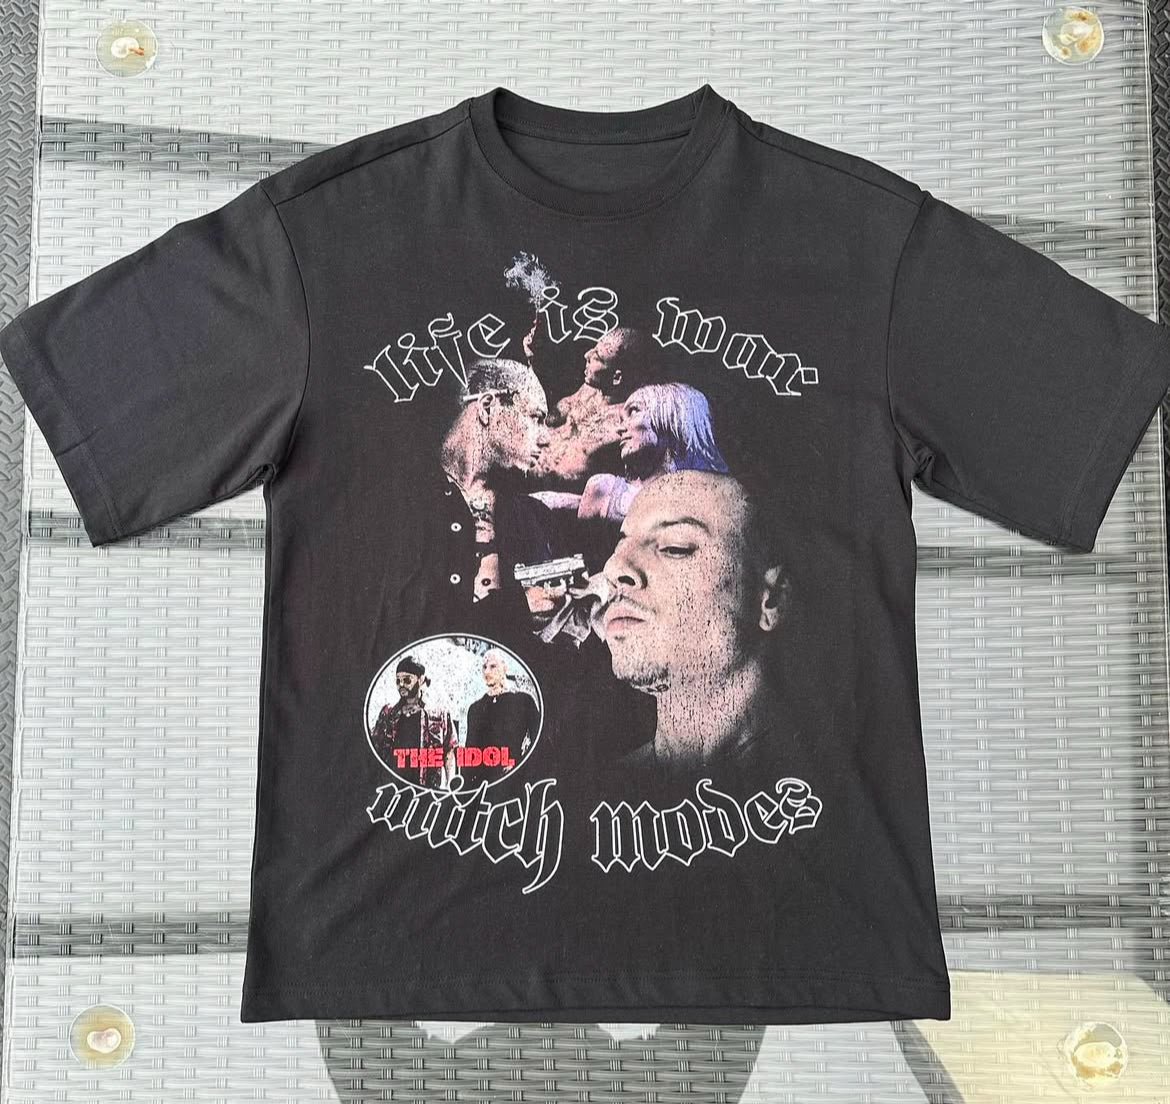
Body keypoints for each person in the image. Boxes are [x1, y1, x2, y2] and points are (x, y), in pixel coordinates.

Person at [590, 469, 794, 783]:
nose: (614, 567)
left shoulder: (837, 783)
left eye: (675, 547)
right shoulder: (601, 792)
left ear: (771, 600)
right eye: (620, 545)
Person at [531, 327, 659, 489]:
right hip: (529, 459)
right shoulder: (591, 390)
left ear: (616, 378)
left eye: (597, 357)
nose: (587, 355)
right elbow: (549, 417)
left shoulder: (624, 426)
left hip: (548, 486)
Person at [369, 656, 458, 790]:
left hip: (427, 792)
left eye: (407, 680)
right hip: (394, 791)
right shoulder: (388, 713)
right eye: (398, 681)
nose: (401, 685)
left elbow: (449, 751)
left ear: (420, 679)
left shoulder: (439, 714)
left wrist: (450, 787)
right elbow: (375, 749)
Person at [459, 648, 541, 791]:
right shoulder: (475, 708)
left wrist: (519, 766)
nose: (487, 672)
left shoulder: (523, 701)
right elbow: (470, 754)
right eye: (484, 667)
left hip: (513, 784)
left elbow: (539, 741)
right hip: (481, 787)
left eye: (493, 666)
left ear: (505, 668)